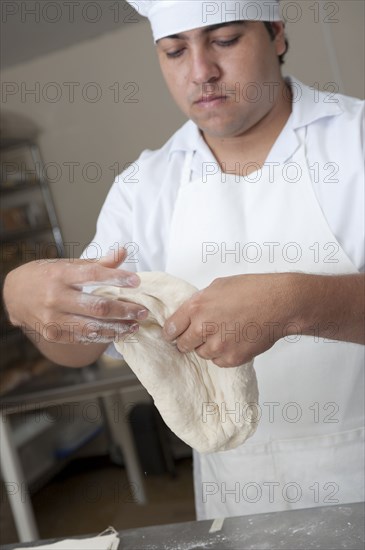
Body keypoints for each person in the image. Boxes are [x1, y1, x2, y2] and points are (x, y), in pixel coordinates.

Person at [3, 0, 364, 520]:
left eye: (225, 40)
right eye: (175, 51)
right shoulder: (144, 188)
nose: (201, 72)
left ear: (277, 35)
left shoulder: (355, 142)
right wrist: (25, 302)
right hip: (236, 498)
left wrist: (297, 302)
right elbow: (79, 348)